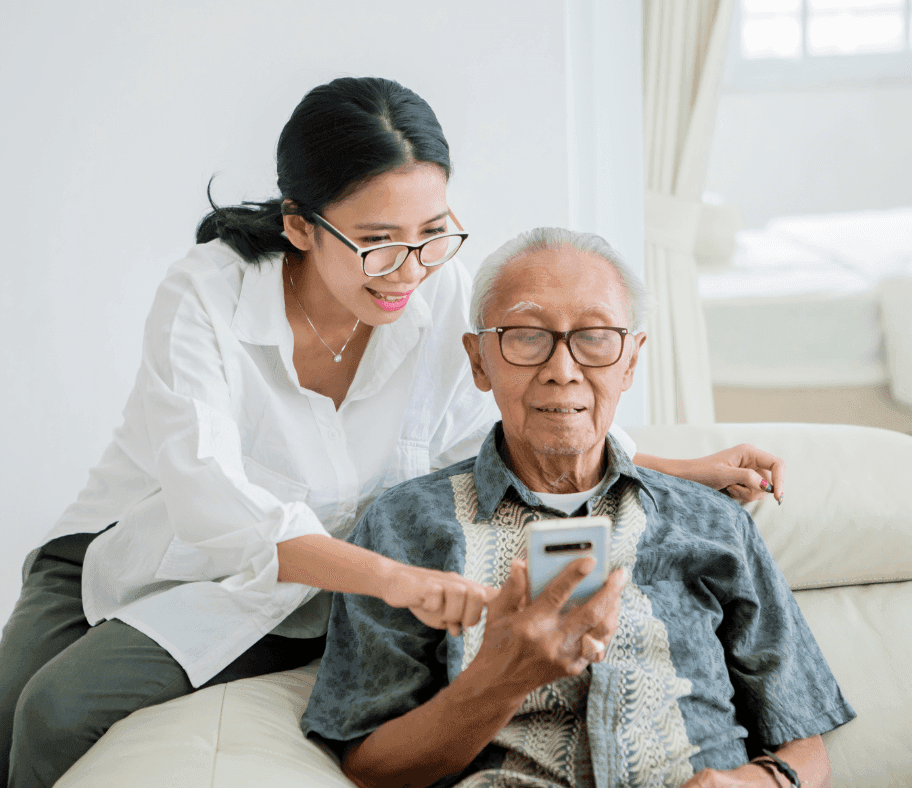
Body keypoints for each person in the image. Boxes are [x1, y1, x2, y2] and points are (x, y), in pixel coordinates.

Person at [0, 78, 783, 788]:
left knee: (57, 710)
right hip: (135, 540)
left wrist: (678, 468)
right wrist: (396, 582)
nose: (411, 268)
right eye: (377, 243)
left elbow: (488, 431)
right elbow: (212, 505)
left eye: (432, 231)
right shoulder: (206, 297)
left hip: (299, 577)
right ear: (299, 225)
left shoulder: (437, 287)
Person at [301, 227, 855, 788]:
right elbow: (370, 766)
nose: (562, 369)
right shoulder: (403, 526)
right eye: (525, 335)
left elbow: (804, 739)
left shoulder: (713, 522)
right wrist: (498, 679)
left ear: (631, 360)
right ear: (479, 360)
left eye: (594, 337)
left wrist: (756, 784)